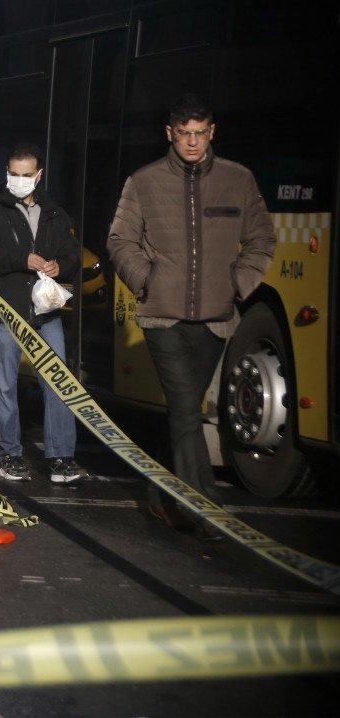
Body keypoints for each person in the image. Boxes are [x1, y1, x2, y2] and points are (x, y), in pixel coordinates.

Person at [107, 94, 274, 537]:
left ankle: (161, 496)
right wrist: (148, 282)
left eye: (201, 133)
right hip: (162, 319)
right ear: (170, 134)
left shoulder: (239, 180)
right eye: (185, 135)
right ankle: (206, 507)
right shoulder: (143, 181)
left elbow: (261, 240)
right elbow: (120, 240)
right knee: (184, 406)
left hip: (217, 320)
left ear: (212, 132)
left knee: (182, 413)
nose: (193, 142)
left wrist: (237, 286)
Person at [0, 142, 83, 485]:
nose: (19, 180)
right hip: (7, 309)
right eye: (14, 174)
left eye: (26, 175)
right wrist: (23, 260)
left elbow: (72, 255)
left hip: (46, 310)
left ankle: (61, 455)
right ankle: (10, 453)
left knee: (59, 383)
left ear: (39, 175)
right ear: (6, 173)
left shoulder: (53, 212)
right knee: (5, 384)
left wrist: (58, 264)